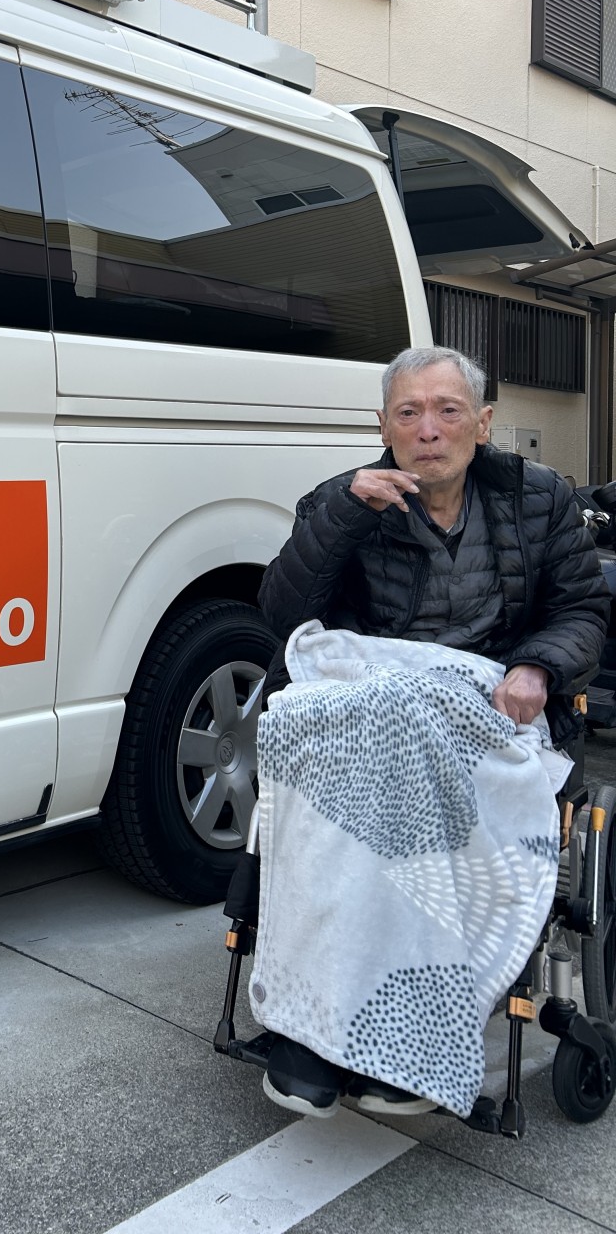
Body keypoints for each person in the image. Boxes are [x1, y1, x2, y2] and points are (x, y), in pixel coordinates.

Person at [254, 344, 608, 1116]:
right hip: (374, 708)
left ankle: (404, 1035)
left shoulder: (540, 499)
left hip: (488, 709)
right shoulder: (342, 499)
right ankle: (310, 1031)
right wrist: (345, 515)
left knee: (420, 806)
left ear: (482, 424)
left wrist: (539, 668)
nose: (428, 430)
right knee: (344, 789)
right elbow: (284, 616)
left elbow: (582, 609)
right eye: (408, 413)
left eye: (448, 411)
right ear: (382, 426)